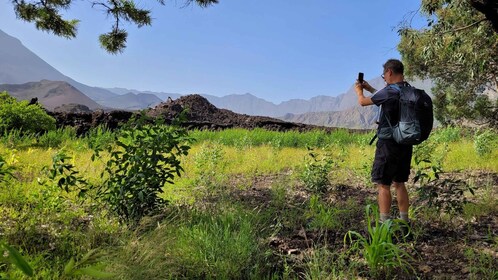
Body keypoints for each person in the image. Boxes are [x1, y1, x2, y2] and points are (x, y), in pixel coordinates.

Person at [354, 58, 412, 223]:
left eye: (384, 75)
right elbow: (385, 99)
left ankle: (384, 224)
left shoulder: (389, 91)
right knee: (400, 183)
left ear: (389, 72)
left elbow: (362, 102)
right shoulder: (409, 91)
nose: (384, 78)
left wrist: (359, 90)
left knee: (383, 184)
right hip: (405, 143)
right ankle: (404, 222)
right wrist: (370, 88)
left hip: (388, 145)